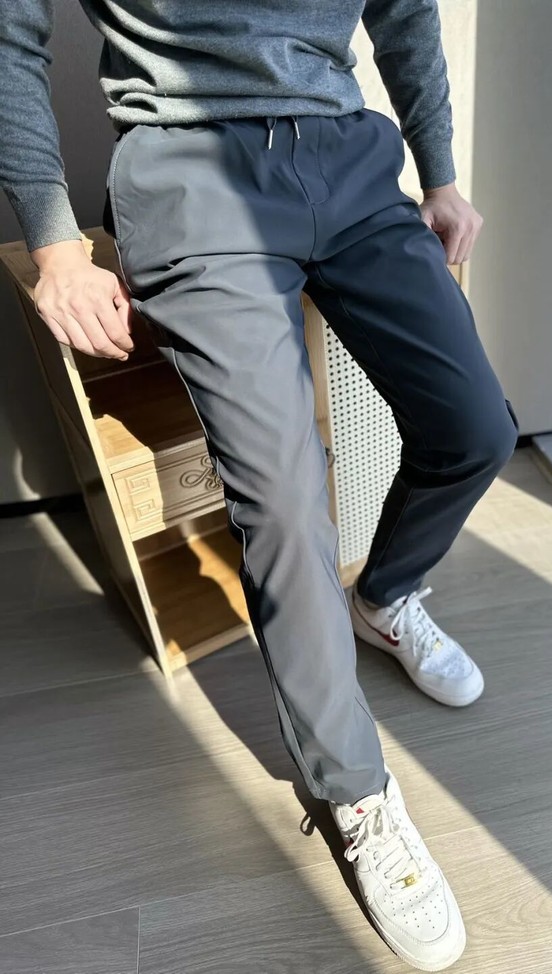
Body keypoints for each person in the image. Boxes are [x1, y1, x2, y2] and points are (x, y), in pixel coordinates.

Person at [1, 2, 519, 969]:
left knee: (478, 429)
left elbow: (405, 11)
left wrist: (440, 171)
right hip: (185, 167)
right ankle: (353, 792)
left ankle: (383, 596)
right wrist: (54, 241)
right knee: (284, 502)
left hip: (350, 160)